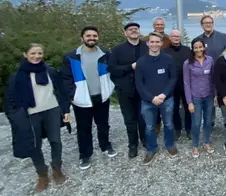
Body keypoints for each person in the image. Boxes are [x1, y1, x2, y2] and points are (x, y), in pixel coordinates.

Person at [5, 43, 70, 192]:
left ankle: (56, 167)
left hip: (52, 110)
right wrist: (16, 120)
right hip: (31, 114)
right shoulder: (17, 77)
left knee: (56, 140)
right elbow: (10, 101)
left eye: (39, 53)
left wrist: (65, 110)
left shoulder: (50, 71)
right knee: (35, 146)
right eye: (33, 53)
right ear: (25, 54)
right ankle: (42, 174)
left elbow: (61, 92)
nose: (36, 56)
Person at [61, 26, 117, 170]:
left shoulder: (105, 53)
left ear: (98, 37)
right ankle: (85, 155)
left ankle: (105, 146)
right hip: (82, 98)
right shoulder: (72, 57)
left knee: (103, 123)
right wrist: (74, 94)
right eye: (88, 36)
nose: (91, 38)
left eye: (94, 36)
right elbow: (65, 78)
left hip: (102, 96)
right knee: (83, 128)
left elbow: (113, 71)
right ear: (82, 38)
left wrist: (110, 87)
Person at [135, 32, 179, 165]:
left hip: (167, 99)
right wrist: (151, 98)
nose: (154, 44)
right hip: (148, 101)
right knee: (149, 127)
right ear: (147, 43)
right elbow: (139, 84)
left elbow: (173, 78)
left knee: (169, 124)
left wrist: (164, 94)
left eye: (157, 42)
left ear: (161, 43)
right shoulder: (141, 62)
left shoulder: (168, 59)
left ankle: (170, 144)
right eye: (152, 42)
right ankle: (151, 148)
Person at [108, 22, 148, 158]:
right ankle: (133, 145)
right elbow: (112, 69)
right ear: (125, 33)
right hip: (125, 89)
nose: (133, 31)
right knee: (129, 119)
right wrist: (131, 66)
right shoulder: (118, 50)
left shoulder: (146, 46)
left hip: (143, 89)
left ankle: (145, 140)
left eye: (136, 29)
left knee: (143, 117)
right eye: (130, 30)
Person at [184, 38, 216, 158]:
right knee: (196, 123)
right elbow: (186, 83)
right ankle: (195, 145)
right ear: (192, 49)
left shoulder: (210, 60)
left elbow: (213, 79)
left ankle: (206, 142)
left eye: (200, 47)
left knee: (208, 121)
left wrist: (215, 95)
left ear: (204, 47)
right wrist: (189, 102)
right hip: (195, 98)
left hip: (208, 96)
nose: (198, 49)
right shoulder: (188, 63)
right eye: (195, 47)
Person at [195, 15, 226, 127]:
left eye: (210, 22)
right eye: (205, 23)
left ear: (213, 23)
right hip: (205, 74)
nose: (208, 24)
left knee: (223, 94)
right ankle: (211, 120)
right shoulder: (198, 39)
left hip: (222, 73)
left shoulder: (223, 37)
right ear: (202, 25)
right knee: (209, 96)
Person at [163, 29, 192, 140]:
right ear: (170, 37)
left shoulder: (187, 50)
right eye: (174, 36)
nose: (176, 38)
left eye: (178, 36)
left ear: (180, 38)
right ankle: (177, 129)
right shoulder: (165, 51)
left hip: (186, 84)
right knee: (173, 108)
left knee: (188, 106)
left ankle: (189, 129)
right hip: (171, 85)